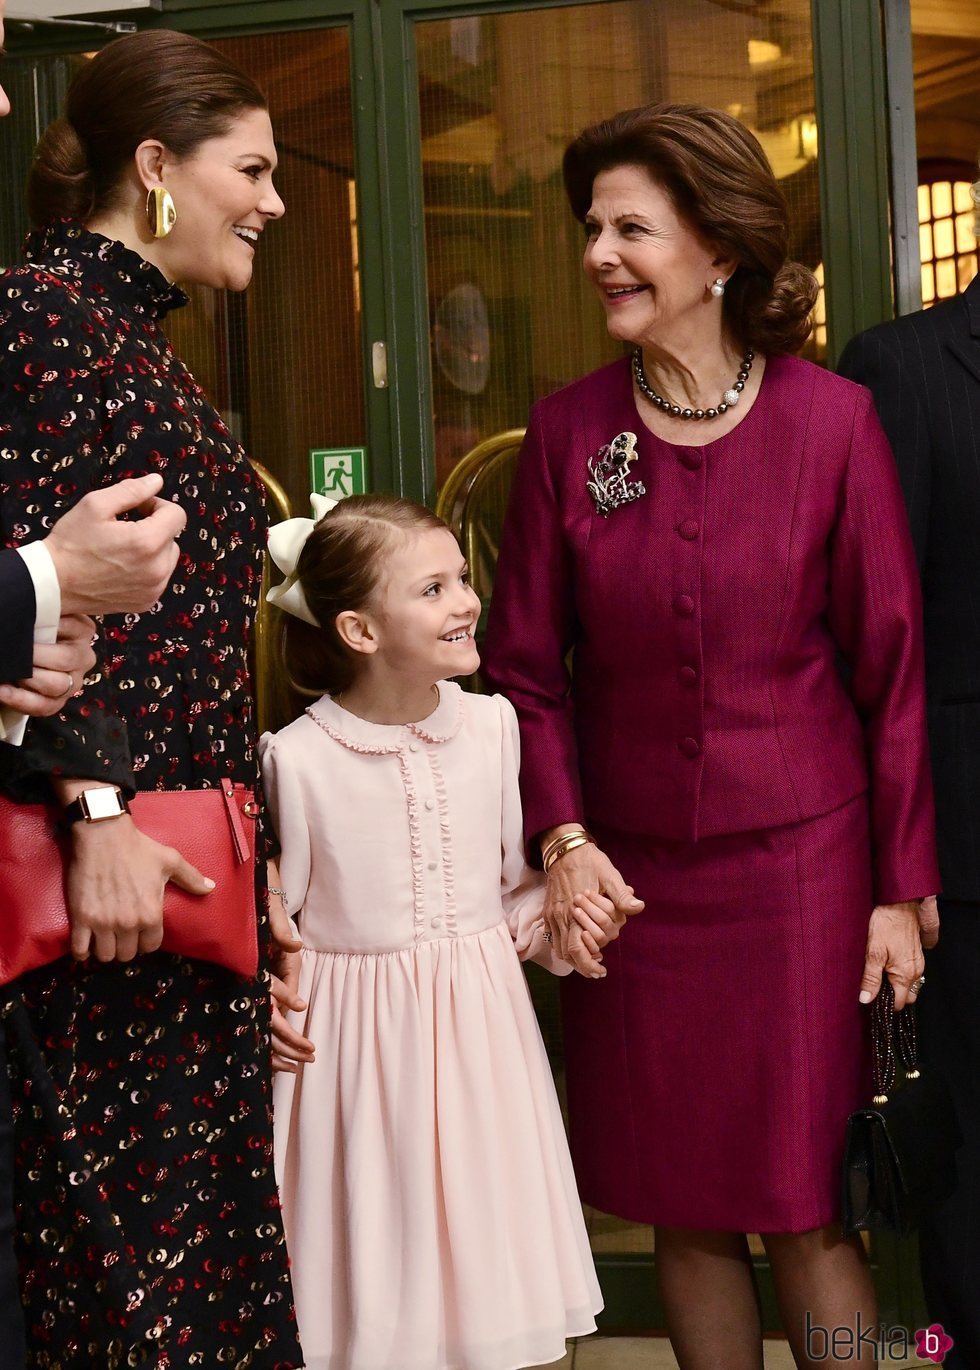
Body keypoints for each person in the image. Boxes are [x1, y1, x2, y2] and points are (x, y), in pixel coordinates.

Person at [483, 102, 939, 1370]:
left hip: (800, 873)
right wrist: (562, 837)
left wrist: (900, 888)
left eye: (630, 226)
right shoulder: (569, 434)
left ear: (718, 247)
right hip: (633, 885)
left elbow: (888, 670)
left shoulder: (829, 424)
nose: (598, 253)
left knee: (801, 1204)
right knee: (681, 1205)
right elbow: (524, 672)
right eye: (591, 228)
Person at [0, 27, 303, 1368]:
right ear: (156, 167)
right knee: (129, 1289)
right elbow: (44, 588)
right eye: (255, 168)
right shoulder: (45, 315)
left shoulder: (135, 337)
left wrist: (258, 861)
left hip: (182, 880)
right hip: (110, 899)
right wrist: (98, 813)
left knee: (184, 1271)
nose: (276, 203)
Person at [260, 493, 605, 1370]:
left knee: (482, 1255)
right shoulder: (296, 760)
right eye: (434, 588)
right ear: (360, 631)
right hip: (360, 1061)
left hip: (482, 1045)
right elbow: (282, 925)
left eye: (463, 579)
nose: (466, 601)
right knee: (381, 1255)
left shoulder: (493, 728)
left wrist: (564, 919)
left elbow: (508, 893)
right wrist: (268, 991)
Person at [838, 232, 980, 1369]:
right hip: (967, 836)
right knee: (970, 1145)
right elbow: (877, 638)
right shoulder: (902, 363)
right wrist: (899, 859)